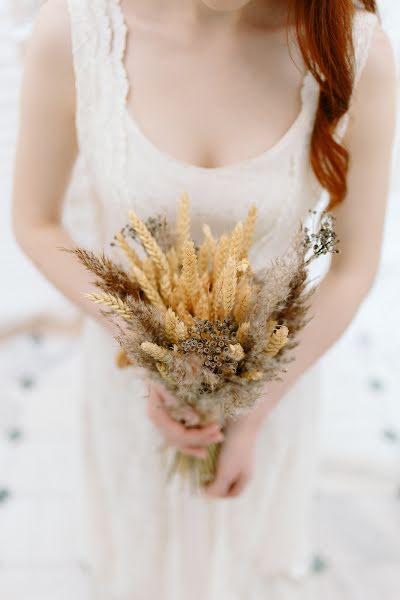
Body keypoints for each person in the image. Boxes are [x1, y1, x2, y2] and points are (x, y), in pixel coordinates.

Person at [12, 1, 396, 598]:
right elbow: (35, 221)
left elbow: (352, 267)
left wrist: (252, 407)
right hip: (129, 381)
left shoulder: (351, 50)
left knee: (243, 566)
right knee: (136, 564)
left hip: (273, 387)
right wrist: (149, 346)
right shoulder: (76, 32)